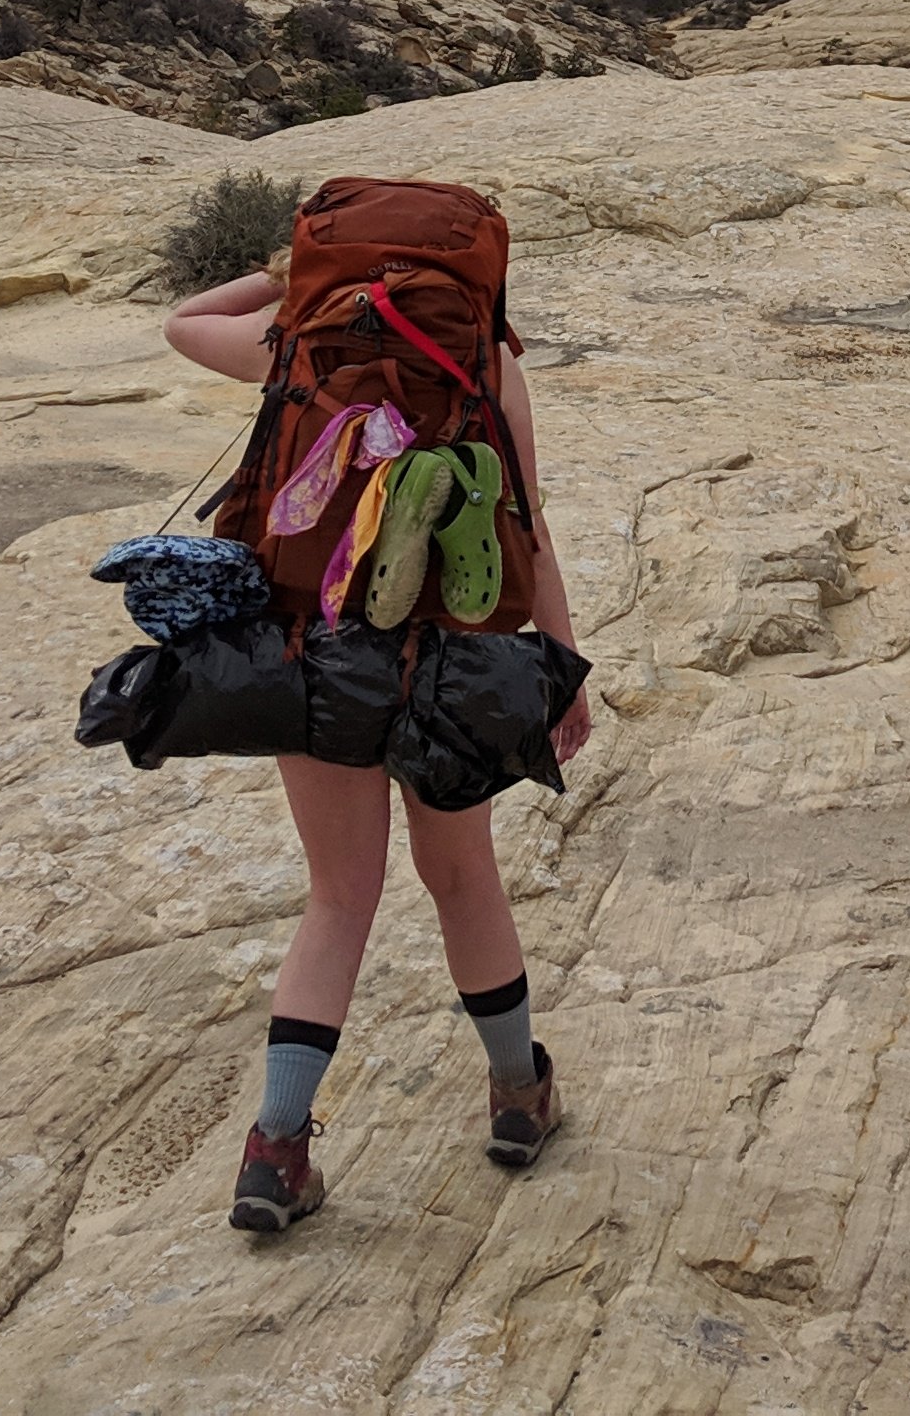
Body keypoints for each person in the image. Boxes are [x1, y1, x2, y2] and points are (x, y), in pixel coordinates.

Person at [163, 261, 596, 1233]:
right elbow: (530, 527)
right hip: (454, 659)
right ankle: (520, 1097)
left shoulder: (296, 339)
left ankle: (274, 1156)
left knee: (338, 896)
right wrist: (563, 668)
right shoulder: (485, 360)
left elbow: (183, 325)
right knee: (462, 876)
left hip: (311, 652)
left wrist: (277, 277)